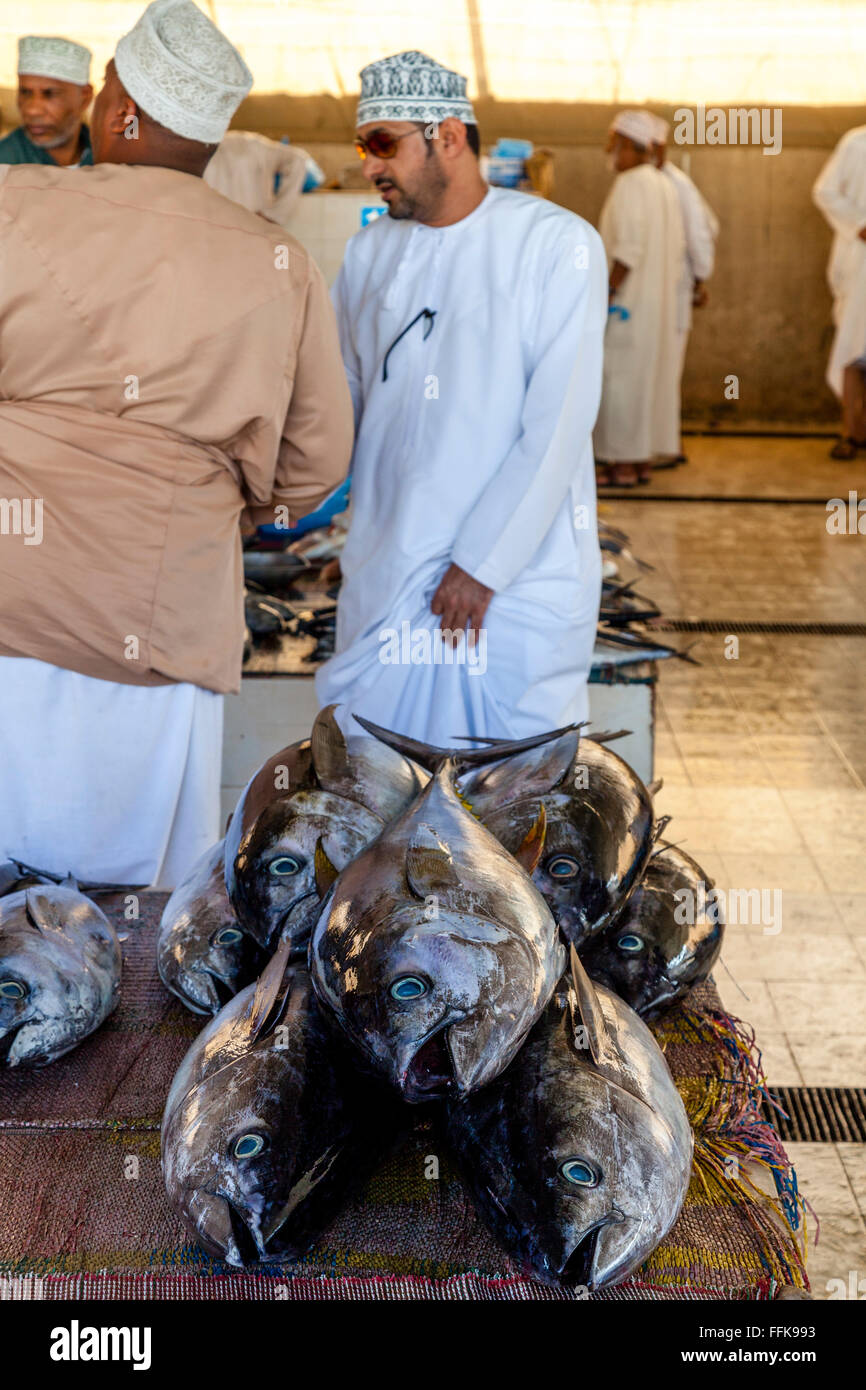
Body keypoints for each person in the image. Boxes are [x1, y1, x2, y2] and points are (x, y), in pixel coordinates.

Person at [0, 0, 352, 887]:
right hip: (163, 612)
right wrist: (225, 512)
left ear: (120, 110)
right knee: (138, 890)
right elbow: (316, 461)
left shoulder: (13, 206)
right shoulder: (276, 262)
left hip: (13, 588)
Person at [315, 50, 606, 745]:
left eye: (383, 144)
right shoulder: (369, 253)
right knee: (371, 786)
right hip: (388, 567)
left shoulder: (555, 244)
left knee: (505, 803)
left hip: (507, 586)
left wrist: (482, 563)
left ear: (447, 136)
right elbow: (343, 394)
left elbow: (558, 424)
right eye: (363, 146)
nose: (368, 166)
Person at [593, 109, 684, 488]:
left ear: (632, 146)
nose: (610, 154)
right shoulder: (662, 184)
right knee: (646, 380)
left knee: (620, 380)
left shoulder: (632, 184)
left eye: (614, 146)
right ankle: (641, 460)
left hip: (628, 304)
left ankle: (622, 466)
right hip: (655, 306)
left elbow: (627, 251)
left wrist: (606, 292)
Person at [650, 114, 719, 464]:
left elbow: (702, 230)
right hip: (657, 291)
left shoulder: (674, 183)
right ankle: (658, 445)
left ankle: (664, 447)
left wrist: (699, 277)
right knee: (656, 367)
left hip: (674, 288)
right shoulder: (647, 181)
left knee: (665, 367)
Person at [813, 126, 866, 458]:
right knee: (852, 347)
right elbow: (825, 191)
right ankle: (850, 433)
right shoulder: (855, 142)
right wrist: (859, 225)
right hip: (860, 260)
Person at [0, 36, 94, 167]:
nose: (32, 110)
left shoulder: (107, 157)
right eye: (25, 92)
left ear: (85, 97)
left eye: (50, 94)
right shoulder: (5, 163)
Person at [204, 129, 308, 228]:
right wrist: (274, 215)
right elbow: (299, 160)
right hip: (255, 225)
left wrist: (274, 214)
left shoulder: (200, 150)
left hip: (216, 227)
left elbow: (298, 160)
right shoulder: (254, 144)